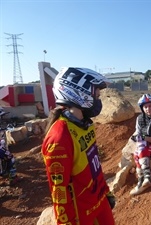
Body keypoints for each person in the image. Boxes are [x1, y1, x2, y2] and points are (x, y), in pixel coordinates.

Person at [41, 67, 115, 225]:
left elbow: (94, 166)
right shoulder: (59, 137)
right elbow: (58, 189)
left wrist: (106, 192)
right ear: (79, 93)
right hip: (81, 214)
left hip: (99, 200)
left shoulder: (85, 124)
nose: (98, 98)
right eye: (96, 94)